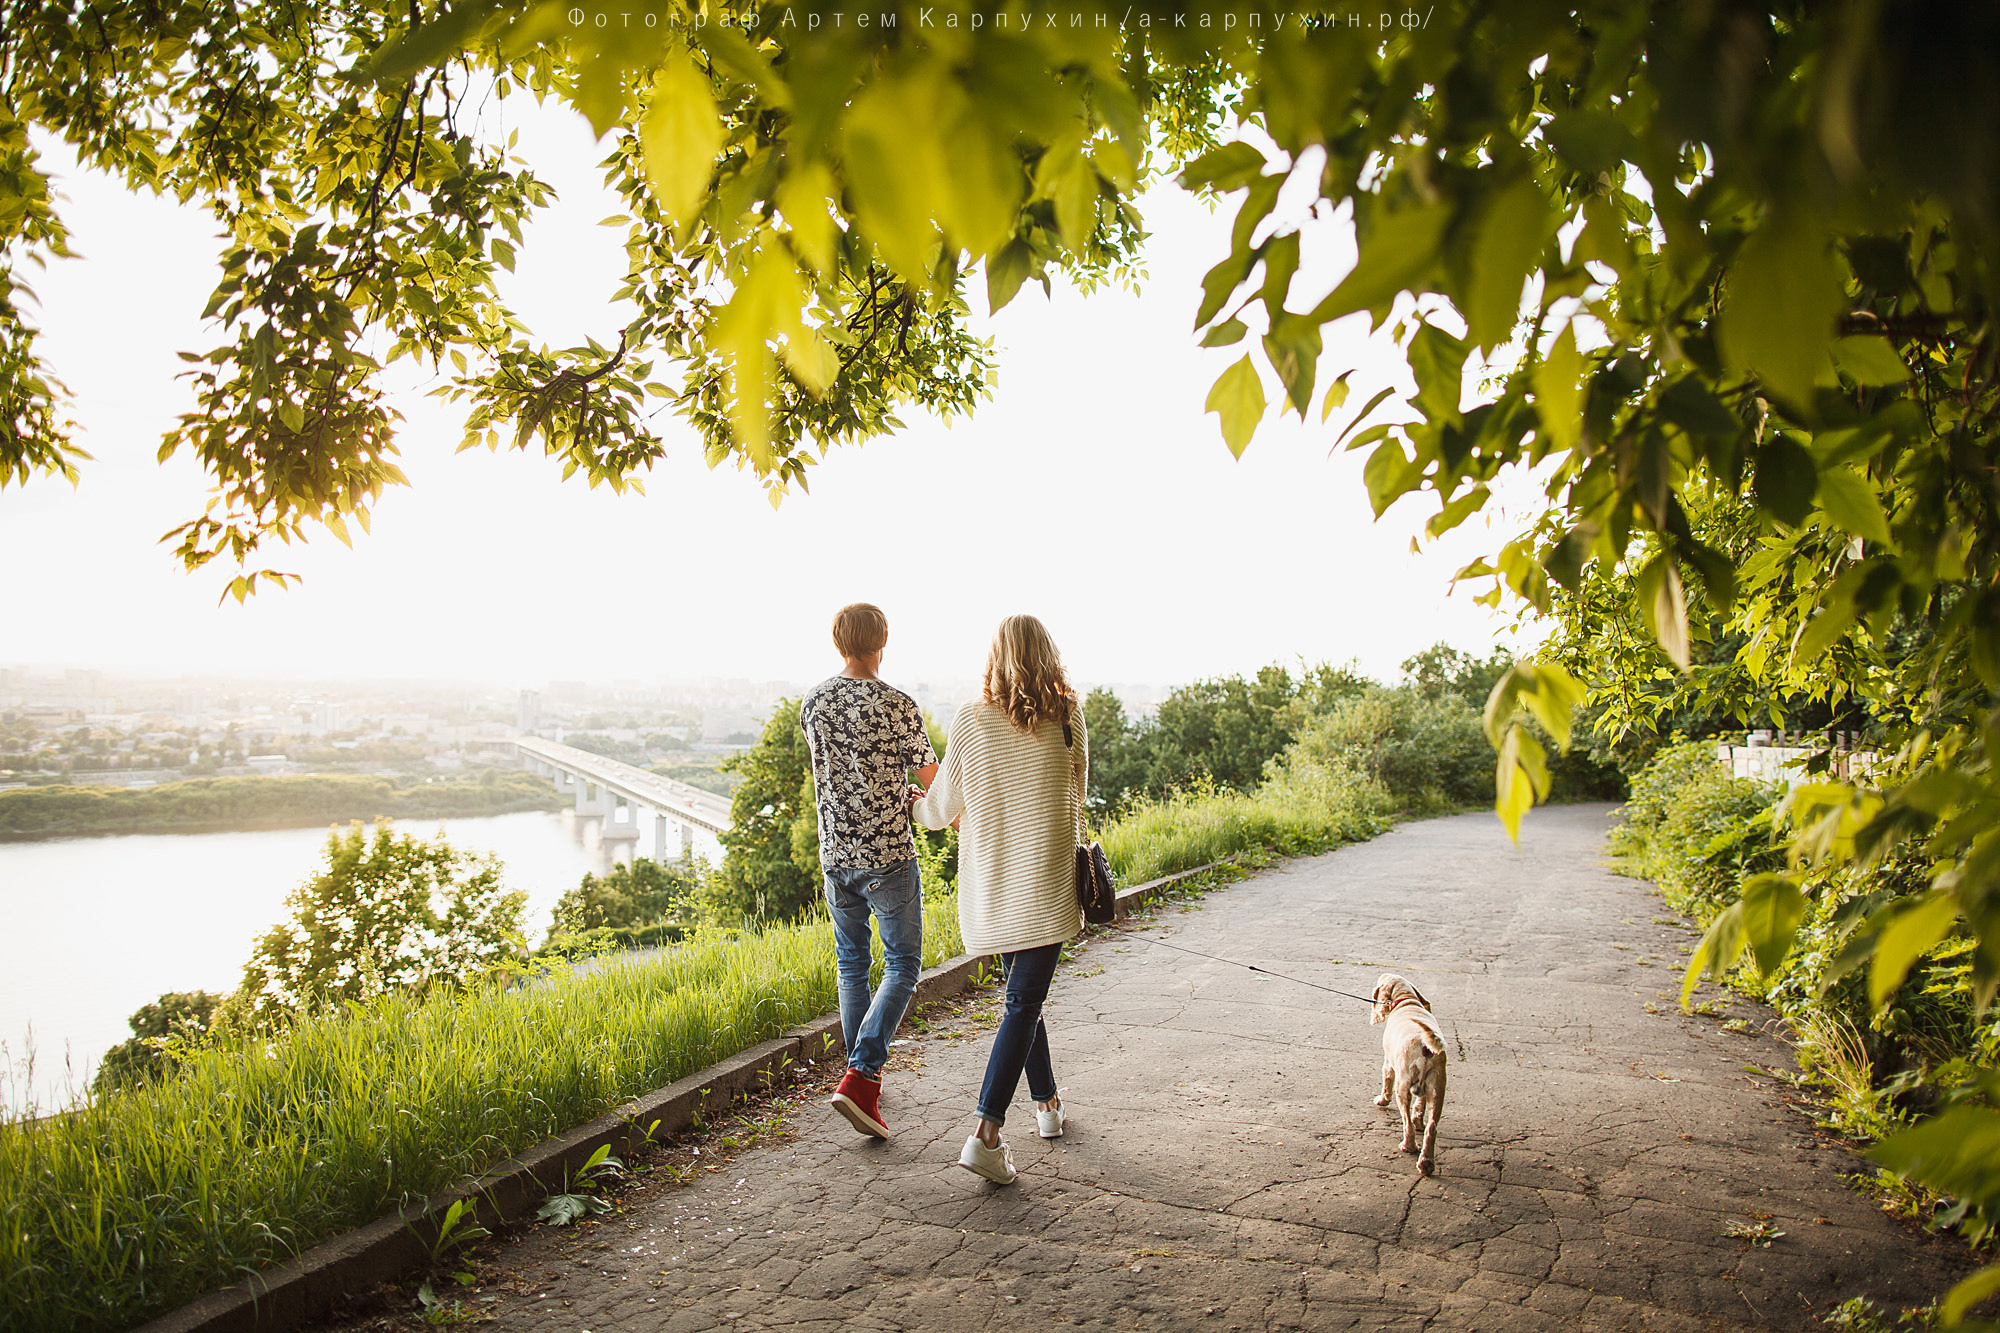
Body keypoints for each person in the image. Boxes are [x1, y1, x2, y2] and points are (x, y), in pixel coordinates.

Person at [911, 613, 1084, 1184]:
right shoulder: (1067, 716)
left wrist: (918, 800)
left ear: (996, 656)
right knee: (1023, 1003)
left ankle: (1047, 1105)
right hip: (1046, 883)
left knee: (1022, 1000)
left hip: (994, 888)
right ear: (1046, 654)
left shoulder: (969, 719)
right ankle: (986, 1134)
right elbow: (1077, 795)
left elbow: (938, 812)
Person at [800, 603, 940, 1138]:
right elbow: (932, 779)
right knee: (903, 964)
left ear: (838, 642)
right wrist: (929, 804)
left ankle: (859, 1076)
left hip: (836, 853)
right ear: (883, 637)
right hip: (888, 856)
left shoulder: (814, 701)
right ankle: (862, 1076)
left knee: (851, 963)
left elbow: (841, 772)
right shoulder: (897, 704)